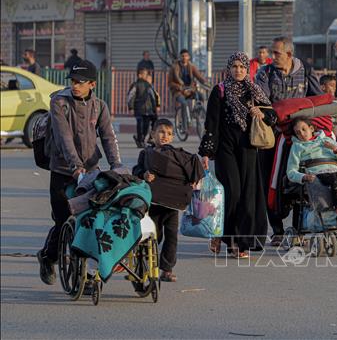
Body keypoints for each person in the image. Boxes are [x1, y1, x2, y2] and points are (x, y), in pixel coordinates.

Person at [37, 60, 122, 286]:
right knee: (63, 219)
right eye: (73, 81)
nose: (75, 86)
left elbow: (108, 137)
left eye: (80, 82)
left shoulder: (100, 106)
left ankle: (82, 275)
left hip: (92, 171)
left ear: (92, 84)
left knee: (88, 222)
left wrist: (117, 166)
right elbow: (64, 139)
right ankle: (47, 257)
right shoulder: (59, 103)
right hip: (63, 171)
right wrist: (76, 169)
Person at [199, 52, 277, 258]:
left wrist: (262, 114)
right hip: (226, 148)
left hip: (248, 148)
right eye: (234, 66)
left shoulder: (254, 90)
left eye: (242, 67)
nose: (238, 70)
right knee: (232, 192)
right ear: (228, 68)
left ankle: (242, 243)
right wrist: (206, 152)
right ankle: (226, 237)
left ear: (246, 69)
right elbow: (211, 123)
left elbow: (272, 114)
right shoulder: (220, 90)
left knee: (247, 195)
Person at [255, 36, 323, 246]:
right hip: (272, 137)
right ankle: (277, 230)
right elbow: (262, 101)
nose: (272, 57)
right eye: (272, 52)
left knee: (299, 182)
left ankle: (299, 230)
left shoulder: (306, 71)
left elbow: (316, 99)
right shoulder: (264, 73)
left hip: (298, 140)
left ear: (289, 54)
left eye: (277, 53)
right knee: (270, 181)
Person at [133, 119, 203, 282]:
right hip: (153, 204)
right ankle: (145, 264)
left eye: (169, 134)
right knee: (154, 235)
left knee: (172, 236)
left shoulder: (177, 155)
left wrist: (193, 180)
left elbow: (192, 168)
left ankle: (167, 269)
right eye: (162, 132)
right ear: (153, 134)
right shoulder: (145, 154)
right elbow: (136, 170)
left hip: (172, 204)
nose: (165, 136)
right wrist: (143, 175)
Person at [286, 118, 337, 229]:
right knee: (333, 180)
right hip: (318, 174)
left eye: (304, 129)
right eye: (298, 132)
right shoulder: (297, 147)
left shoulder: (326, 140)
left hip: (335, 171)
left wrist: (335, 149)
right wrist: (303, 176)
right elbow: (291, 172)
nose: (302, 134)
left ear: (311, 128)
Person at [168, 49, 208, 125]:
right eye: (182, 56)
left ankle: (197, 114)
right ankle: (184, 124)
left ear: (188, 57)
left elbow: (199, 77)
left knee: (201, 96)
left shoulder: (191, 66)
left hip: (190, 90)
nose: (184, 57)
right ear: (180, 57)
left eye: (186, 56)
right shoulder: (174, 67)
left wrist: (205, 82)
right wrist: (178, 86)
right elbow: (170, 83)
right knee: (183, 103)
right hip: (178, 91)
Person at [128, 68, 160, 148]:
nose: (146, 76)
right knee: (140, 124)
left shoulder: (148, 85)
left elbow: (153, 96)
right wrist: (131, 107)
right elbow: (131, 96)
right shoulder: (135, 85)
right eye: (145, 74)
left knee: (146, 125)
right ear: (140, 75)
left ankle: (142, 140)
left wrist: (155, 106)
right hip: (138, 108)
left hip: (148, 109)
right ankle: (140, 139)